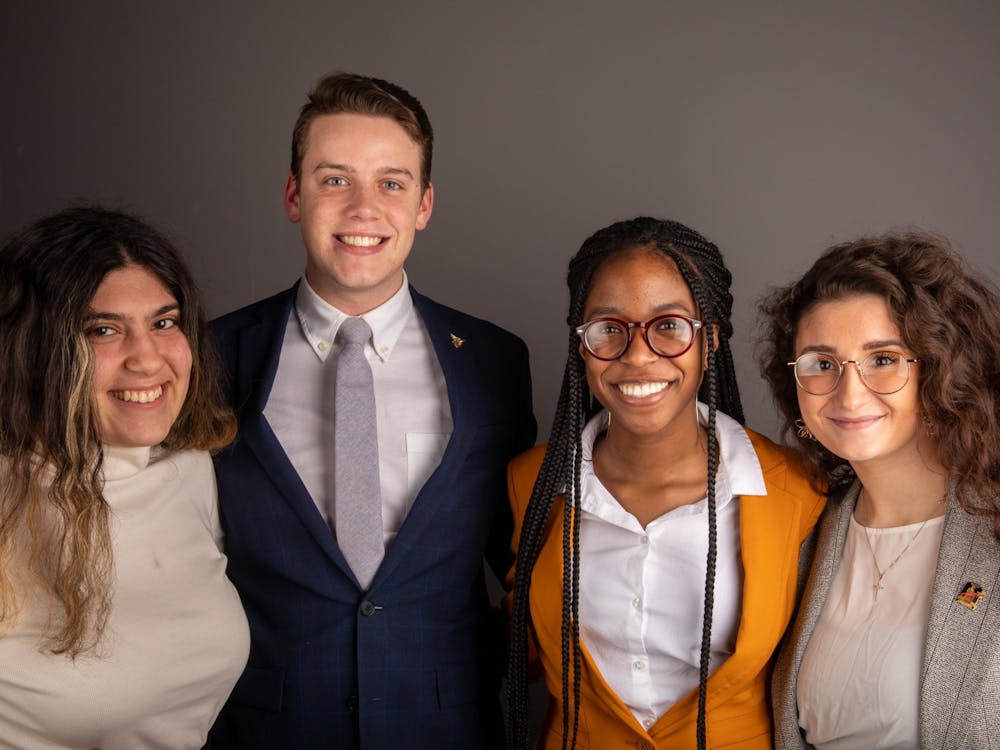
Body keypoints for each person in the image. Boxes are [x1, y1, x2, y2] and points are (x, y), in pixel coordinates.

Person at [209, 72, 536, 748]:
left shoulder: (493, 362)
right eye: (334, 180)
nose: (363, 208)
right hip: (264, 729)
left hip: (445, 728)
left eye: (391, 183)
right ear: (294, 195)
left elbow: (523, 560)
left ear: (424, 204)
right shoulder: (207, 358)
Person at [505, 217, 825, 750]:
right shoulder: (531, 484)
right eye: (608, 328)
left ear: (712, 339)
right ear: (580, 345)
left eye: (670, 325)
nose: (637, 355)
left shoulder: (797, 491)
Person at [0, 206, 249, 750]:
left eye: (164, 322)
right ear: (36, 351)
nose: (148, 359)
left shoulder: (189, 470)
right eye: (103, 330)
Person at [759, 231, 1000, 749]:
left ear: (938, 367)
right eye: (822, 364)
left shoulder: (993, 529)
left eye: (883, 359)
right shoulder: (802, 530)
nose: (849, 392)